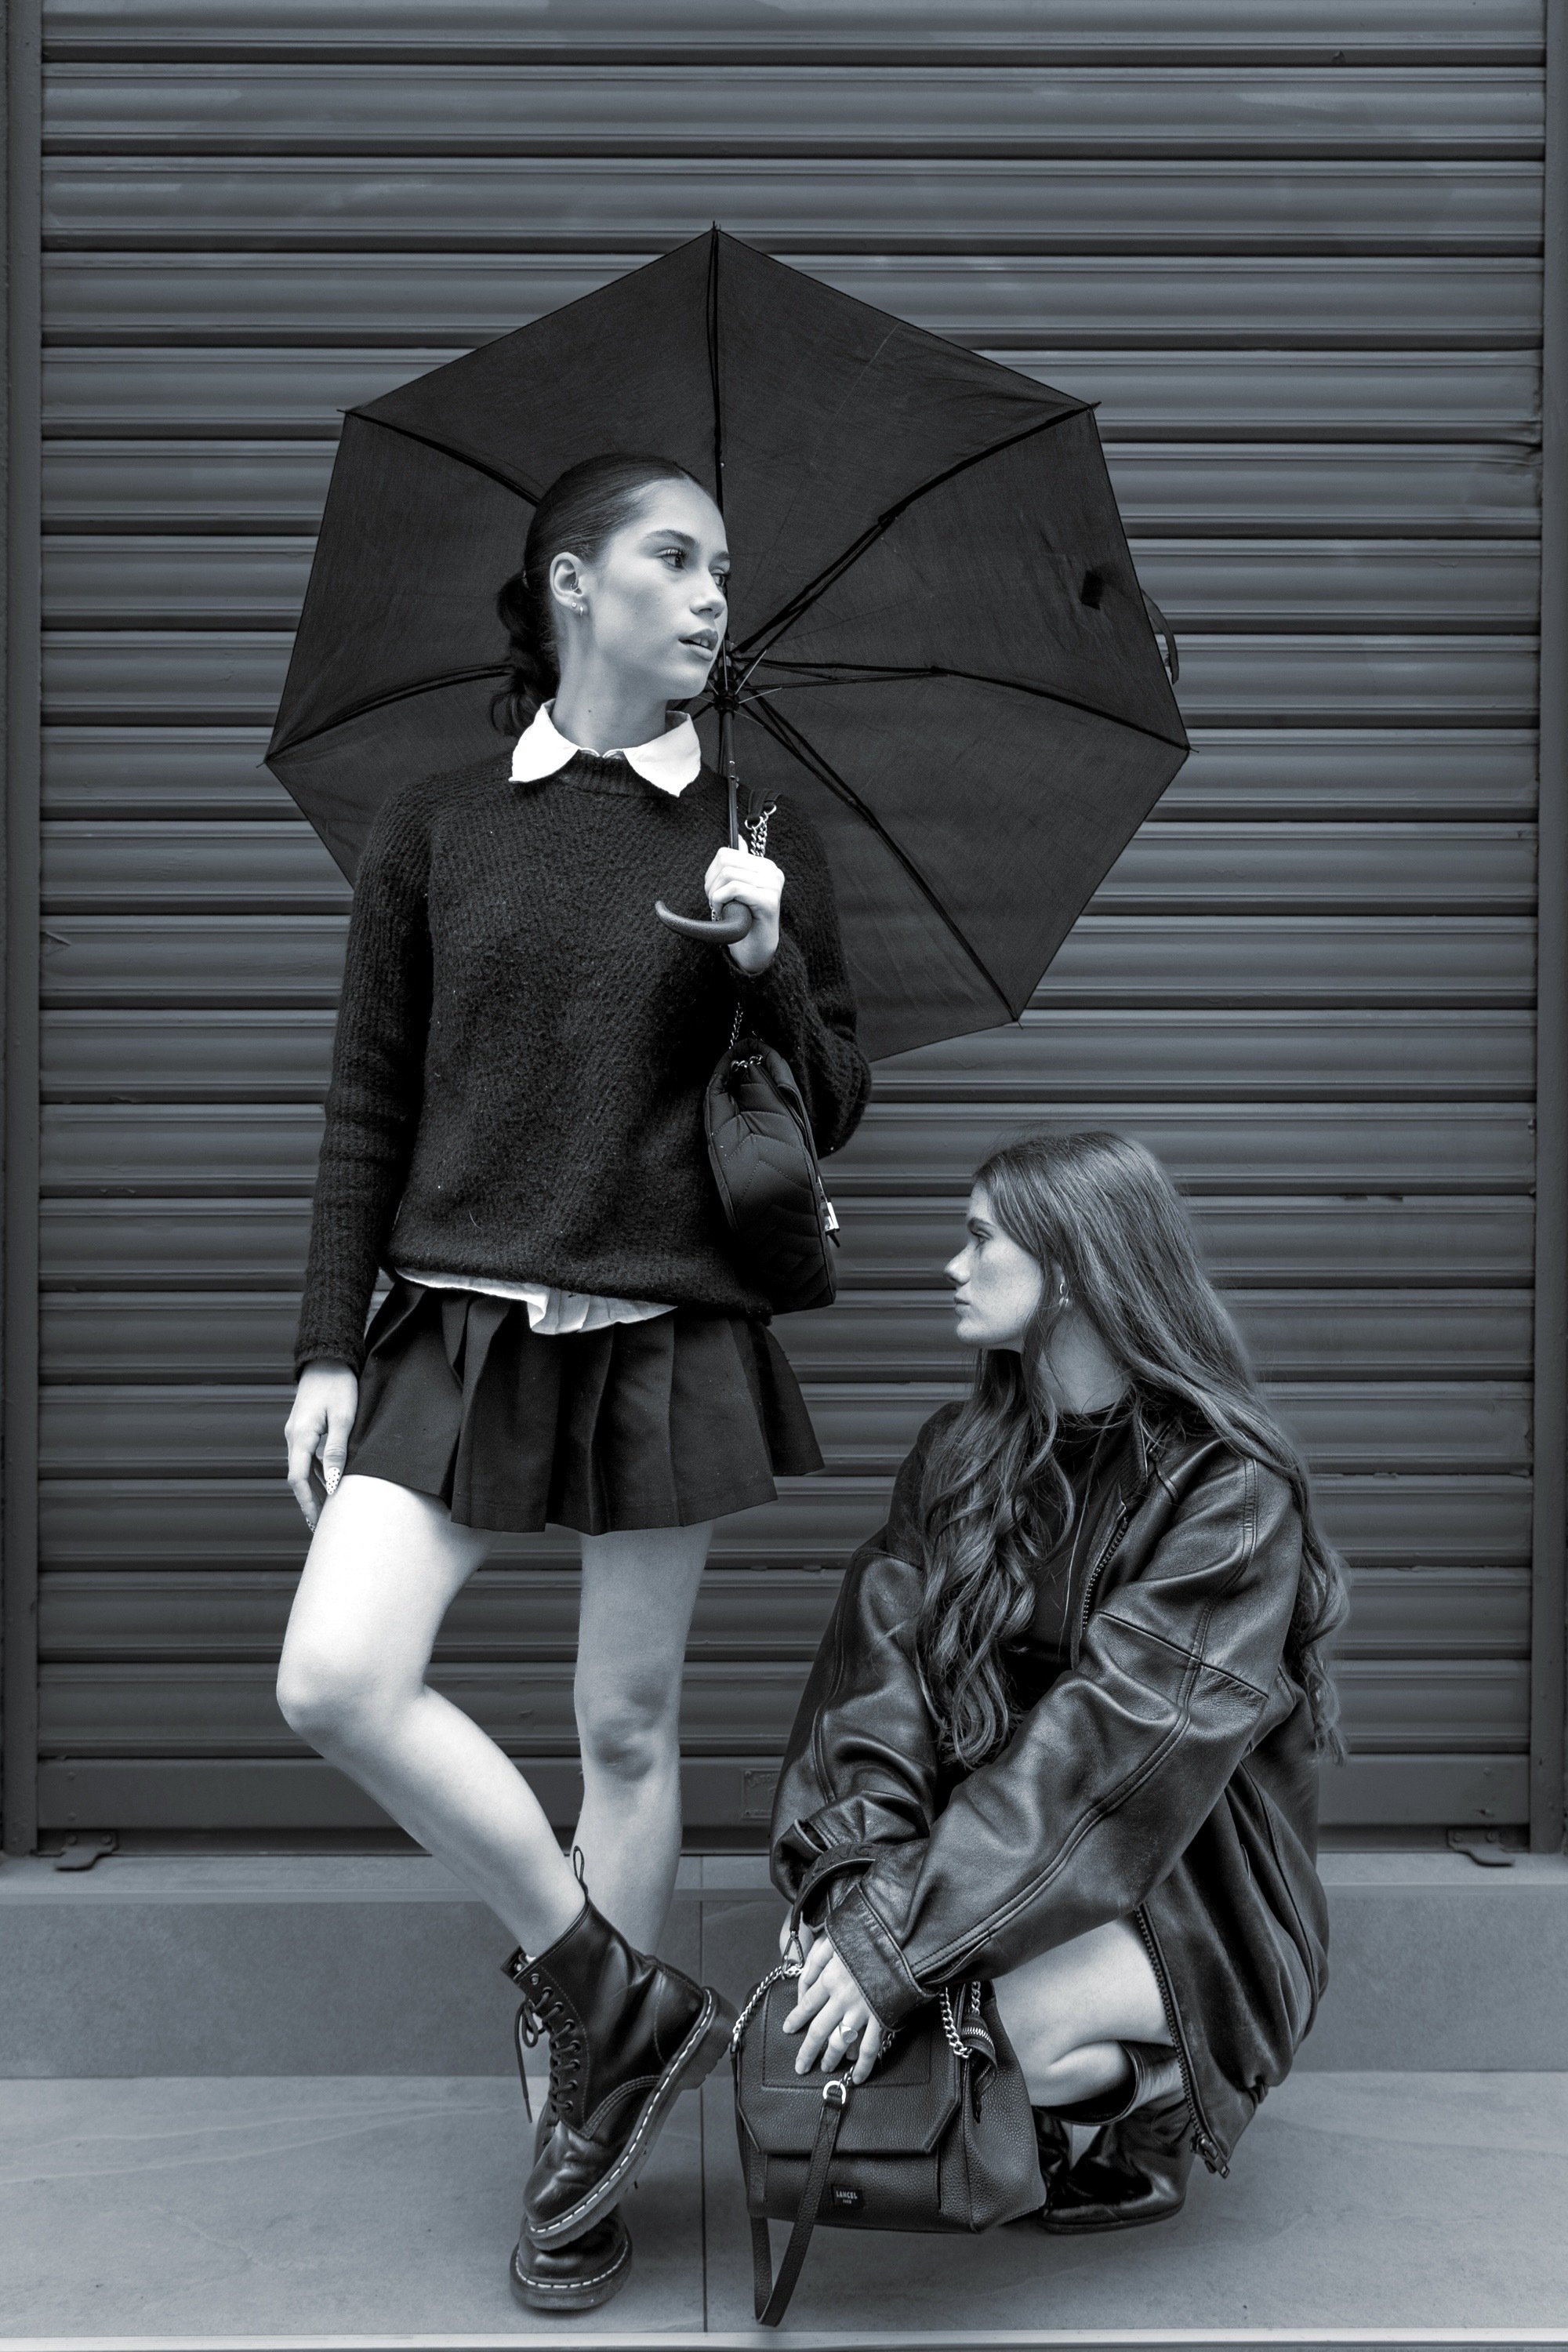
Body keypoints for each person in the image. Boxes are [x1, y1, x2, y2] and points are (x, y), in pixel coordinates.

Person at [274, 452, 871, 2311]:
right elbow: (369, 1100)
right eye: (672, 560)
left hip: (664, 1328)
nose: (708, 597)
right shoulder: (439, 820)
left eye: (721, 566)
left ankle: (576, 2134)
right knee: (336, 1678)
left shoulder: (760, 830)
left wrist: (769, 964)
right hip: (448, 1323)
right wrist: (318, 1342)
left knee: (624, 1732)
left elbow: (833, 1099)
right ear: (569, 584)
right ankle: (612, 2002)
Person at [768, 1128, 1344, 2230]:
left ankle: (1156, 2102)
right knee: (884, 2033)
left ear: (1072, 1270)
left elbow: (1111, 1754)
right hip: (991, 1872)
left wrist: (906, 1942)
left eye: (980, 1240)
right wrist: (856, 1893)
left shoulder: (1229, 1493)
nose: (951, 1266)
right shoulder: (957, 1453)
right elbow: (875, 1692)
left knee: (961, 2044)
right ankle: (1055, 2113)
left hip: (1192, 1896)